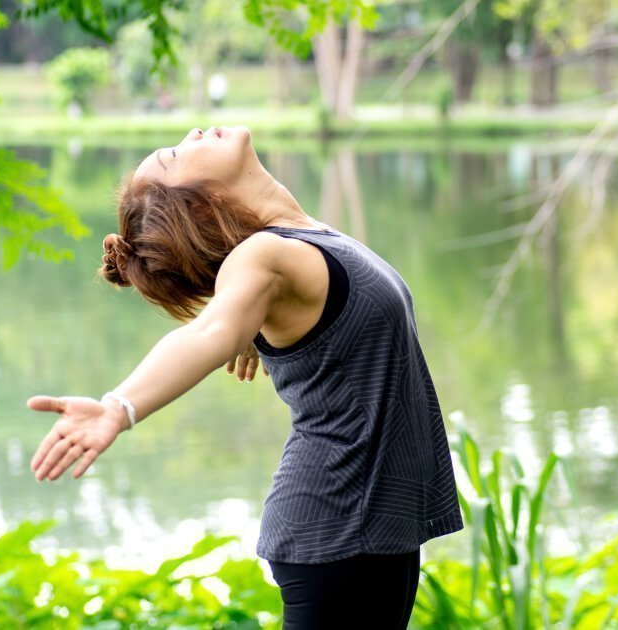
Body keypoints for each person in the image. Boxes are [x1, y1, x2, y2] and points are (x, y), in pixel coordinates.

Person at [25, 126, 466, 628]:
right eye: (175, 153)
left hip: (372, 521)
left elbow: (260, 321)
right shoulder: (263, 257)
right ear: (199, 200)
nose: (192, 133)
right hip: (338, 524)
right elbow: (210, 332)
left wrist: (255, 328)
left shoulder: (294, 241)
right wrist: (118, 406)